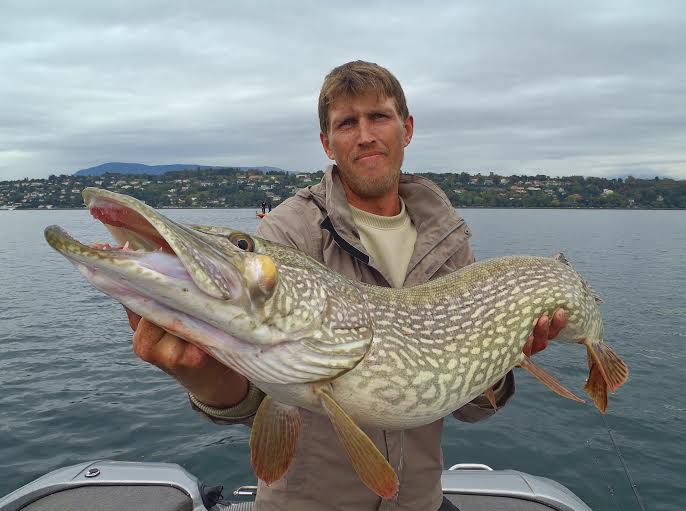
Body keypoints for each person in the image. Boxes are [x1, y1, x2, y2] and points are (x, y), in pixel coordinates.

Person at [126, 61, 567, 511]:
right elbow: (251, 396)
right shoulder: (287, 232)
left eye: (379, 117)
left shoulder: (447, 236)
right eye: (347, 123)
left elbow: (467, 405)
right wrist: (201, 375)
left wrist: (502, 357)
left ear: (407, 128)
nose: (366, 135)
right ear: (327, 142)